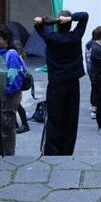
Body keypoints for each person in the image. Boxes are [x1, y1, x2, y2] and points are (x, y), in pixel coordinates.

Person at [34, 10, 89, 156]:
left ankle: (52, 151)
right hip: (72, 82)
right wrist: (70, 17)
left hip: (56, 83)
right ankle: (67, 150)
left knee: (54, 117)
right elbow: (84, 16)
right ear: (69, 24)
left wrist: (43, 20)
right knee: (71, 119)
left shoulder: (52, 37)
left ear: (58, 25)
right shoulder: (75, 37)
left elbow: (37, 25)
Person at [0, 28, 26, 156]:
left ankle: (8, 155)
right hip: (2, 93)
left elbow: (15, 77)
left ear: (6, 39)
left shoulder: (11, 54)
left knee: (7, 126)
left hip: (10, 95)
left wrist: (6, 90)